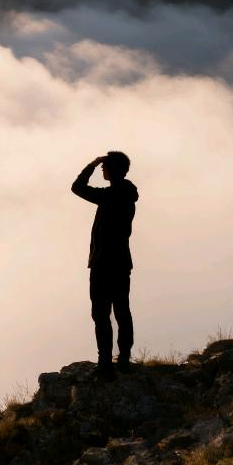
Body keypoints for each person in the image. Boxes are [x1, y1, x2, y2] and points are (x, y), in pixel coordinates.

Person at [71, 152, 139, 380]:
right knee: (122, 310)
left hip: (103, 263)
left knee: (101, 314)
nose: (102, 170)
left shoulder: (111, 195)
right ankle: (124, 360)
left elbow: (77, 187)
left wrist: (90, 165)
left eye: (104, 167)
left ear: (111, 169)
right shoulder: (127, 195)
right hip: (121, 261)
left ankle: (105, 364)